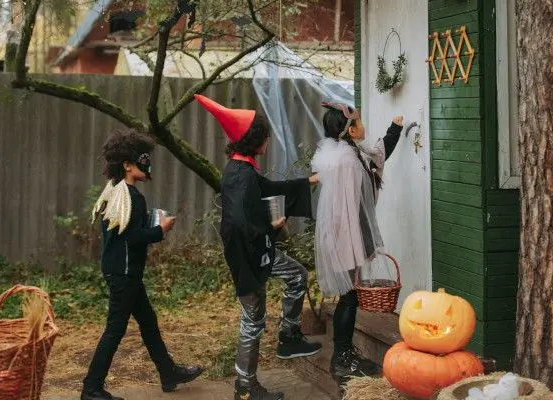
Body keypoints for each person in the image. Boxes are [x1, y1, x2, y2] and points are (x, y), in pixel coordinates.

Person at [195, 94, 322, 400]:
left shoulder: (244, 170)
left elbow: (272, 189)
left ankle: (289, 336)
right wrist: (271, 226)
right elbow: (237, 225)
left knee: (296, 275)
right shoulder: (240, 177)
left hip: (259, 251)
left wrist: (310, 181)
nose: (268, 140)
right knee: (253, 321)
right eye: (265, 137)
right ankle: (245, 387)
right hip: (248, 257)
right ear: (254, 140)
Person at [81, 129, 204, 400]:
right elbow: (134, 238)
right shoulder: (131, 197)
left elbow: (125, 233)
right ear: (127, 164)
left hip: (122, 272)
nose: (147, 164)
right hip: (124, 274)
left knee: (148, 322)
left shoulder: (115, 192)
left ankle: (169, 373)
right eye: (142, 158)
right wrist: (161, 229)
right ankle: (91, 388)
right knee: (115, 329)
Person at [310, 103, 403, 384]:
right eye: (359, 122)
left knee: (348, 296)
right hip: (343, 235)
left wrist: (395, 129)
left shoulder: (345, 151)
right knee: (349, 297)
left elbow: (377, 154)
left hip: (341, 234)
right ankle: (342, 359)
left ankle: (345, 353)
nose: (363, 126)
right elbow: (348, 206)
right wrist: (355, 242)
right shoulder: (347, 161)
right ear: (349, 130)